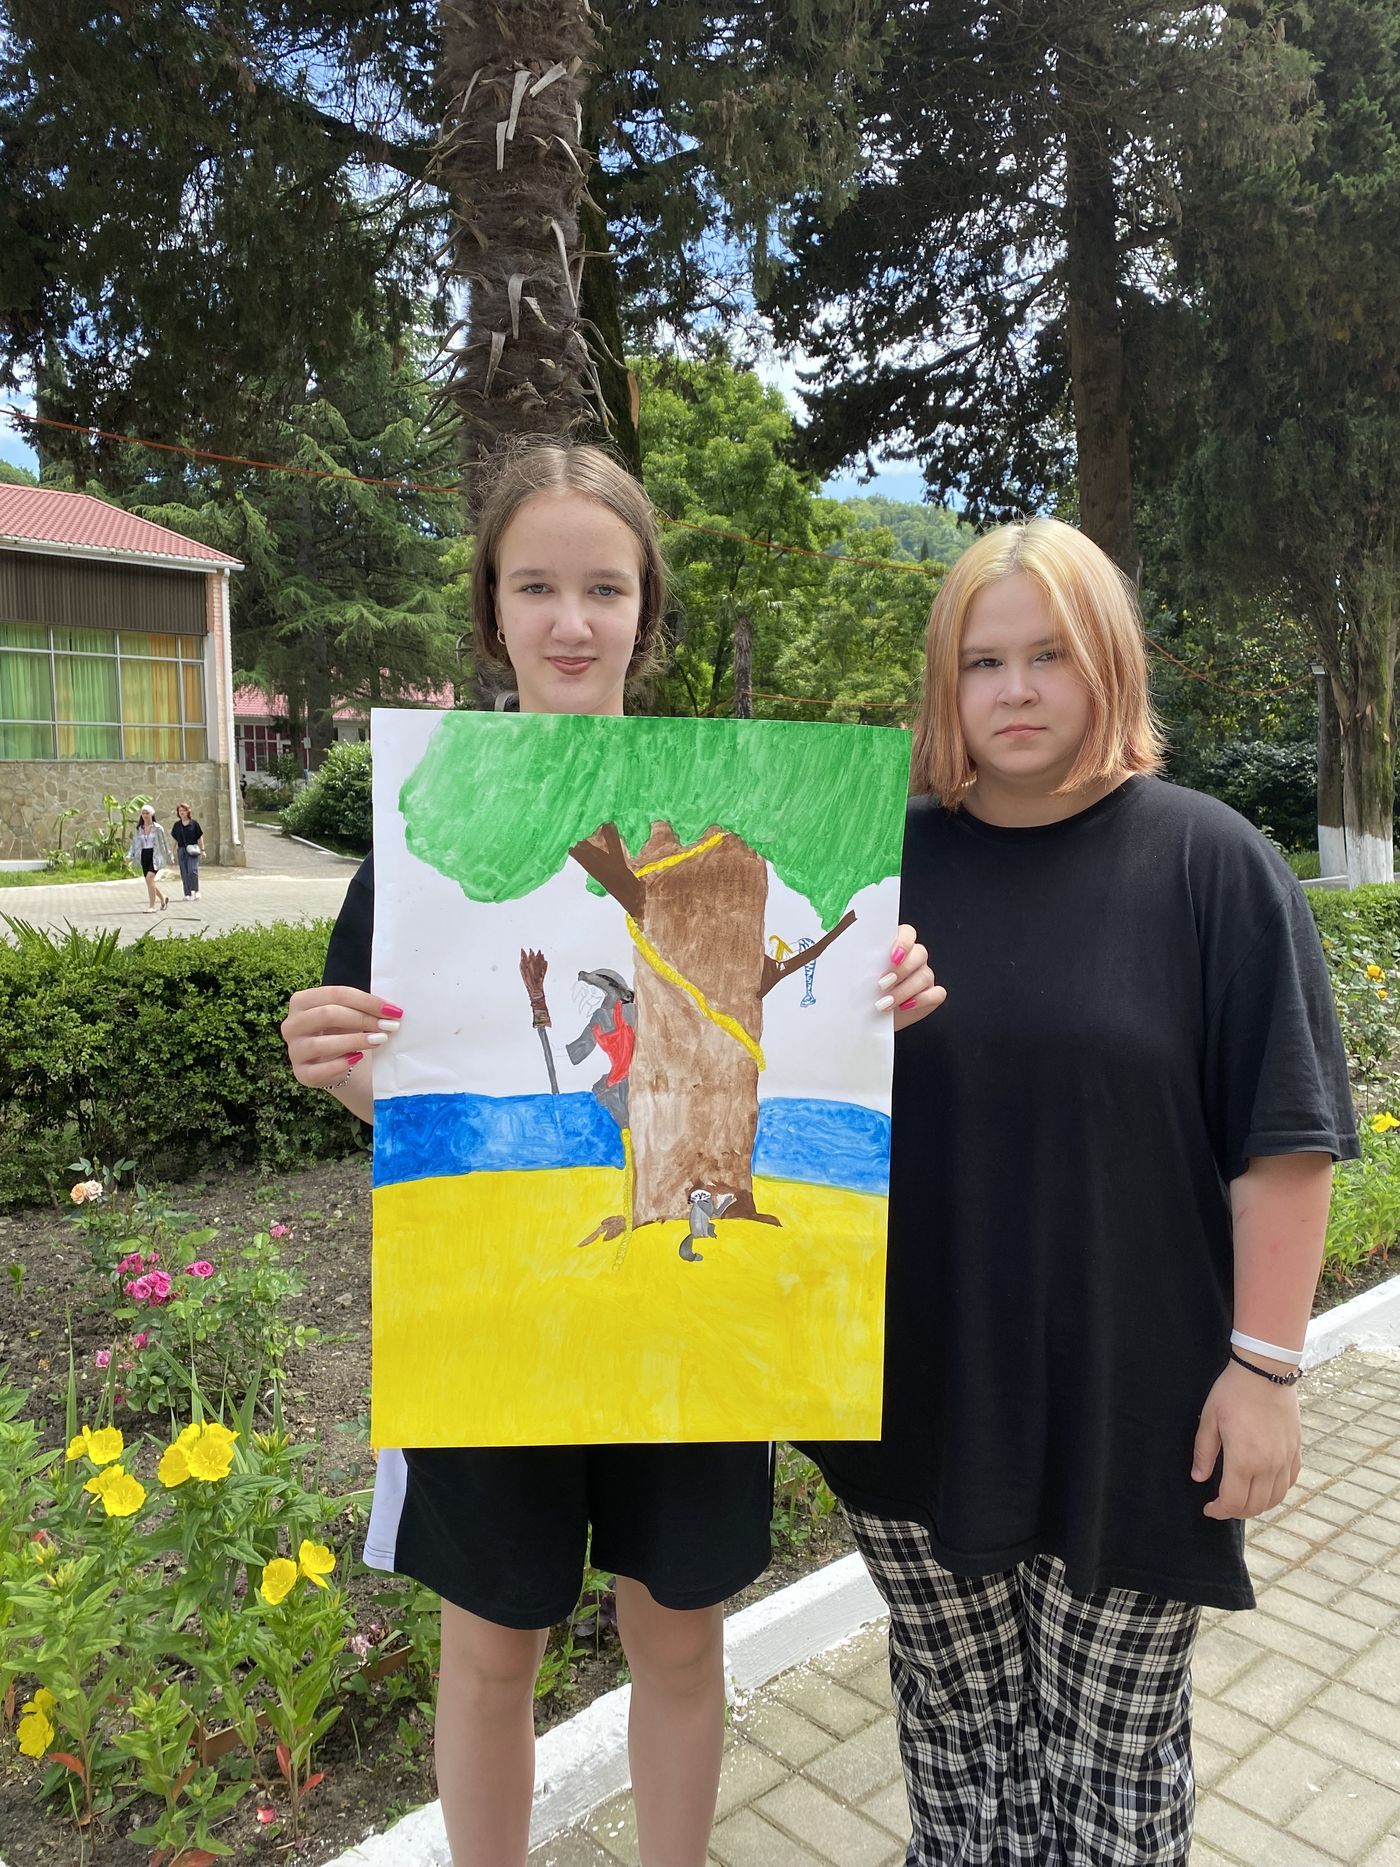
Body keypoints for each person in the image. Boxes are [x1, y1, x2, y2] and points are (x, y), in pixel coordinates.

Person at [278, 440, 945, 1867]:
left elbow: (807, 1016)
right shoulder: (414, 841)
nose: (570, 620)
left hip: (692, 1334)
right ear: (492, 609)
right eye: (535, 586)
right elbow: (404, 1096)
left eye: (604, 587)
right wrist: (337, 1064)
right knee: (490, 1651)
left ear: (647, 610)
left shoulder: (726, 814)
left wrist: (877, 1003)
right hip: (494, 1328)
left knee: (680, 1640)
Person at [806, 518, 1357, 1866]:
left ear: (1108, 660)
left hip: (1135, 1409)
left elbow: (1284, 1145)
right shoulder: (871, 868)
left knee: (1110, 1759)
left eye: (1048, 654)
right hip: (912, 1398)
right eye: (982, 660)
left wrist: (1265, 1371)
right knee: (956, 1734)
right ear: (945, 683)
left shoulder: (1210, 864)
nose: (1015, 689)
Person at [126, 805, 171, 913]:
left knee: (150, 878)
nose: (145, 815)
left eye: (147, 813)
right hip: (144, 855)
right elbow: (134, 844)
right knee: (149, 881)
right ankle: (163, 897)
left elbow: (164, 842)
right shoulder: (139, 829)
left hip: (155, 855)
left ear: (152, 814)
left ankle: (152, 906)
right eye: (143, 813)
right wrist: (129, 856)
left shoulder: (158, 828)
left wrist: (170, 856)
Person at [170, 802, 205, 901]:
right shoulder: (177, 825)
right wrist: (171, 853)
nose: (182, 813)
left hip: (192, 850)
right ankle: (187, 893)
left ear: (188, 811)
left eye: (184, 811)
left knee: (192, 871)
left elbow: (200, 837)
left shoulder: (194, 824)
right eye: (180, 811)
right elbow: (174, 840)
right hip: (181, 850)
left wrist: (203, 850)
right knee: (184, 873)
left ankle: (196, 891)